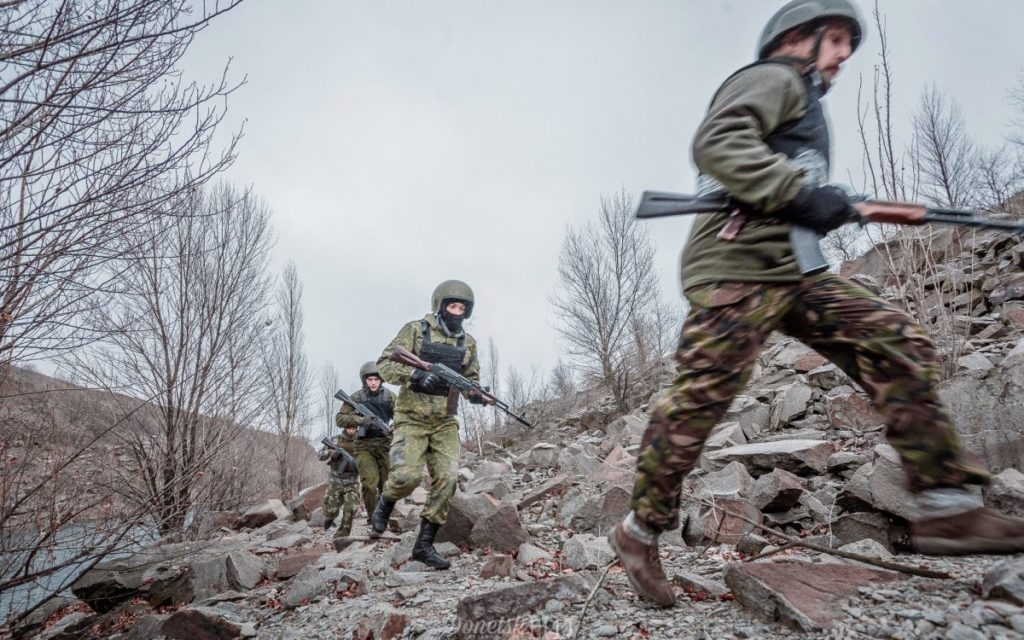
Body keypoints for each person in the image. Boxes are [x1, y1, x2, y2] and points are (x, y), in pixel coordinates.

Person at [609, 0, 1024, 609]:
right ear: (796, 38)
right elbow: (718, 142)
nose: (843, 55)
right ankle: (638, 532)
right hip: (736, 267)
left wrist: (828, 202)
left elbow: (794, 195)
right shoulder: (774, 78)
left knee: (894, 339)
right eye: (835, 40)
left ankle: (947, 507)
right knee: (700, 402)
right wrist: (802, 195)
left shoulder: (805, 103)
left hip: (795, 270)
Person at [370, 280, 489, 570]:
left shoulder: (468, 344)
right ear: (440, 305)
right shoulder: (416, 330)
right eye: (452, 305)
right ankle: (385, 502)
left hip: (445, 422)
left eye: (462, 308)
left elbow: (471, 378)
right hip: (411, 419)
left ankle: (424, 545)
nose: (457, 311)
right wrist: (414, 376)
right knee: (407, 477)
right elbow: (384, 364)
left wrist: (476, 395)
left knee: (448, 479)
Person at [335, 361, 397, 523]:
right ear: (365, 381)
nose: (373, 383)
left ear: (381, 380)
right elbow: (340, 419)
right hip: (364, 445)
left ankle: (385, 517)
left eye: (376, 379)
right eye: (370, 379)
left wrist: (394, 427)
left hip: (385, 444)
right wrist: (361, 421)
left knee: (387, 486)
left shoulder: (389, 396)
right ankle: (374, 518)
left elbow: (403, 414)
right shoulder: (357, 397)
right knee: (370, 485)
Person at [317, 424, 361, 540]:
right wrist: (330, 453)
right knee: (330, 509)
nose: (351, 429)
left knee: (351, 507)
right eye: (349, 427)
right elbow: (320, 456)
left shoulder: (361, 441)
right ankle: (330, 518)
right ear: (345, 427)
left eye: (353, 427)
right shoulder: (335, 439)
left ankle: (342, 536)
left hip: (352, 481)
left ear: (357, 428)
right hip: (335, 480)